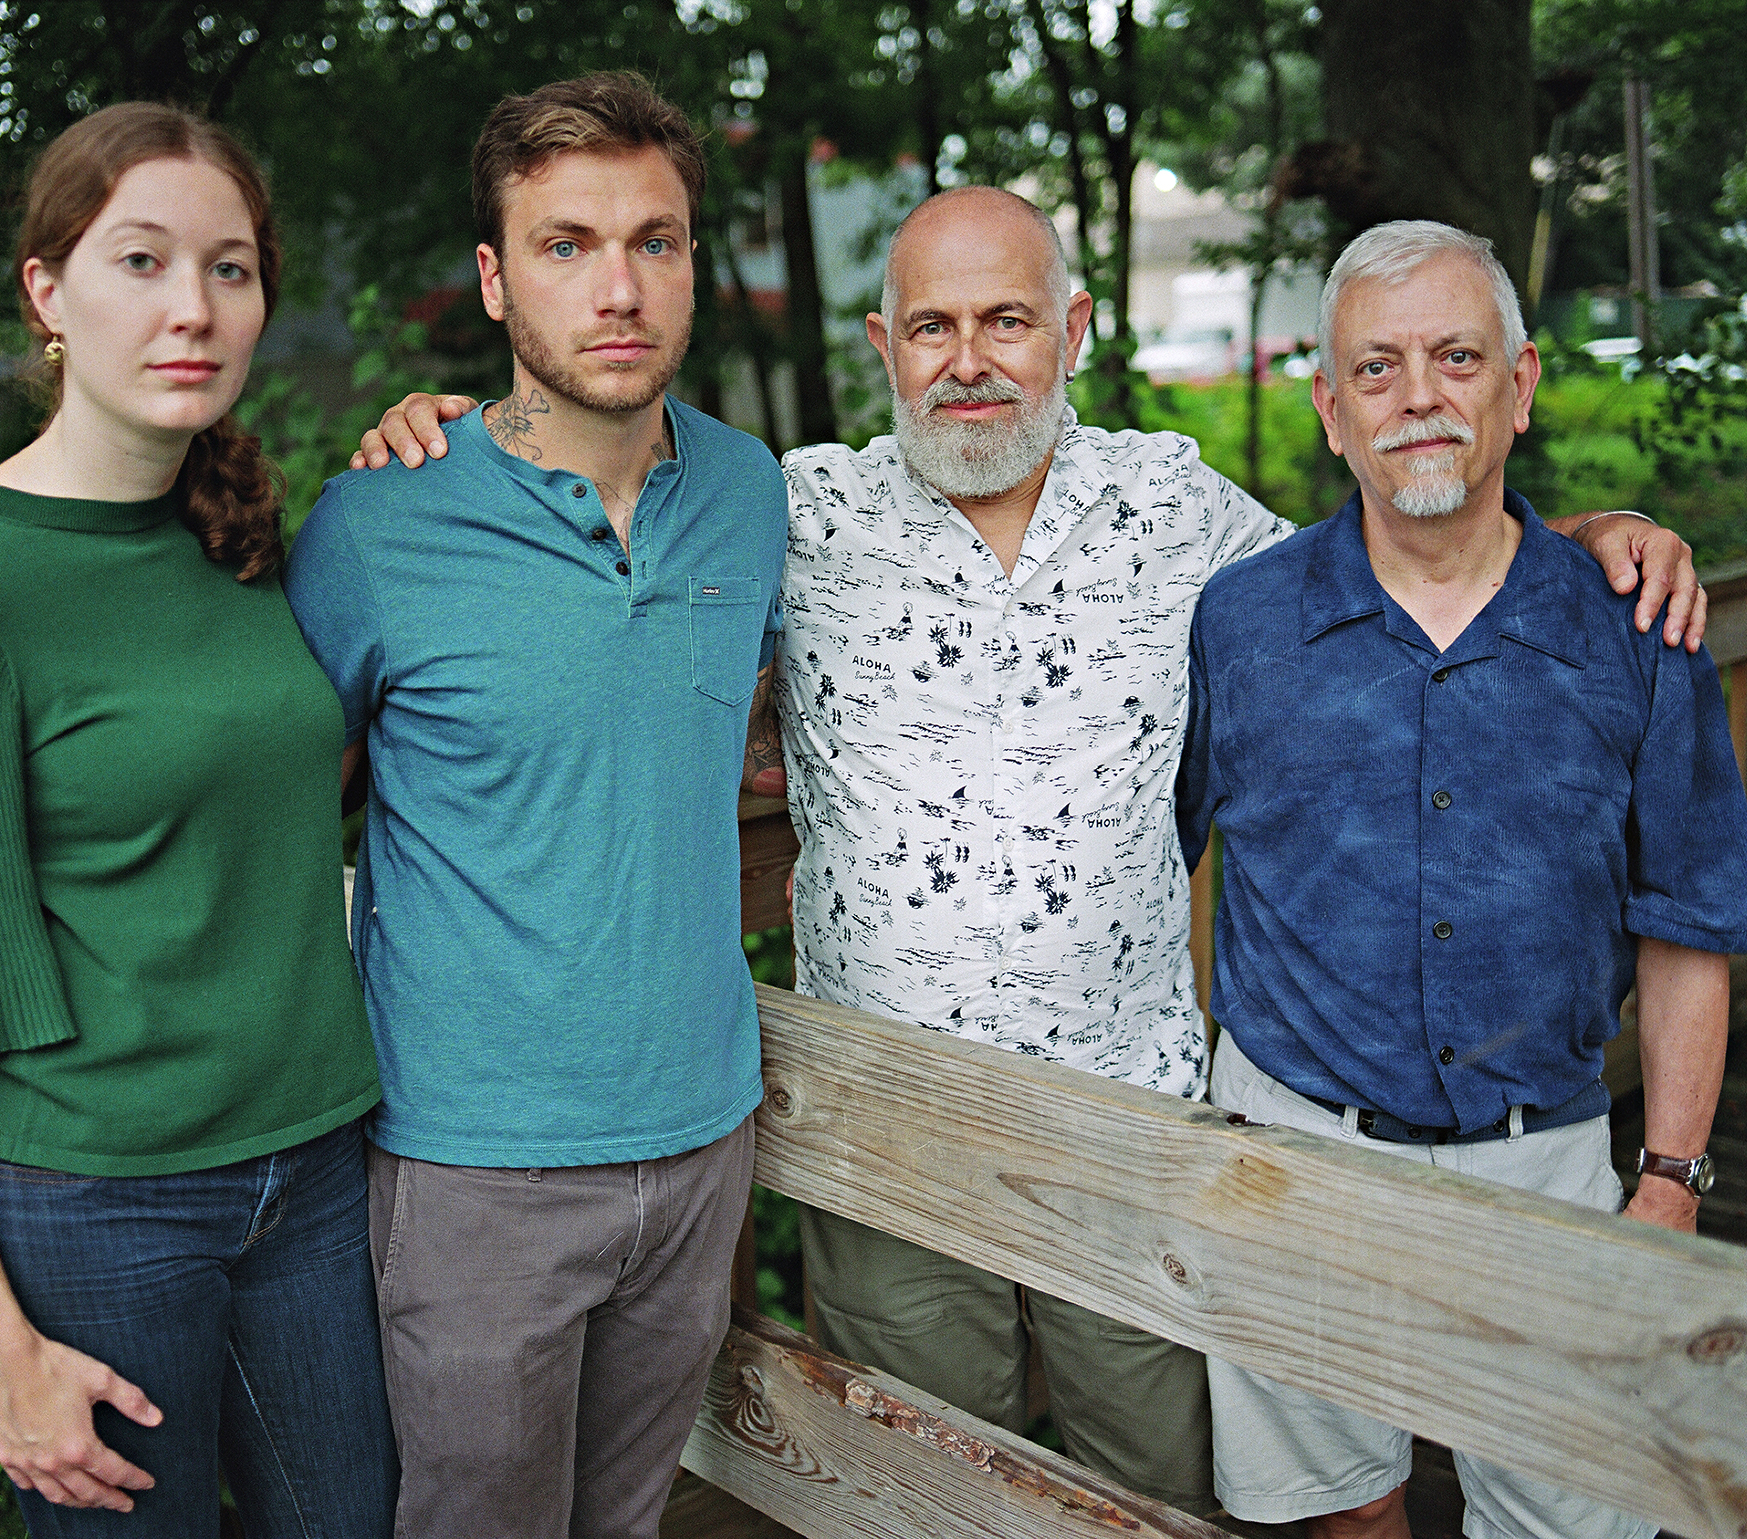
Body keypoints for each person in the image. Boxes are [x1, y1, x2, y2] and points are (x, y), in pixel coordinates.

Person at [358, 186, 1703, 1518]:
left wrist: (1585, 541)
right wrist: (448, 439)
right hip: (885, 1122)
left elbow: (1397, 556)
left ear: (1072, 329)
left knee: (1157, 1489)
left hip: (1132, 1127)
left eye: (1006, 319)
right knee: (922, 1488)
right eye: (931, 326)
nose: (968, 359)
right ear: (881, 350)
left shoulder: (1177, 511)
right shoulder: (788, 512)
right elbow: (594, 544)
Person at [0, 103, 395, 1538]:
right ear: (45, 290)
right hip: (99, 1209)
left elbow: (290, 790)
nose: (193, 307)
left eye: (233, 268)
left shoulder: (249, 542)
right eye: (141, 261)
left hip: (320, 1171)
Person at [1177, 219, 1747, 1539]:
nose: (1418, 395)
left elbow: (1688, 927)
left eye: (1455, 356)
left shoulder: (1638, 630)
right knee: (1343, 1518)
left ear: (1522, 385)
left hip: (1542, 1161)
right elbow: (1145, 855)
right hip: (1293, 1162)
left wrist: (1670, 1177)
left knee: (1574, 1522)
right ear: (1329, 407)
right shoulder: (1238, 624)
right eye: (1375, 368)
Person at [280, 74, 786, 1539]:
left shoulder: (752, 497)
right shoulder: (379, 524)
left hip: (704, 1141)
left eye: (656, 241)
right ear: (497, 281)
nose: (617, 287)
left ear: (697, 263)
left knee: (629, 1520)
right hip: (472, 1167)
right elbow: (288, 799)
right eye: (566, 245)